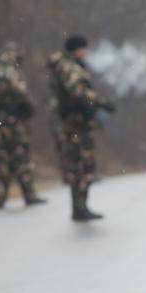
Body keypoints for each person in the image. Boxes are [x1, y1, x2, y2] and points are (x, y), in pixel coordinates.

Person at [47, 35, 115, 221]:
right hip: (76, 124)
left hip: (73, 122)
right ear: (77, 49)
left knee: (79, 166)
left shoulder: (65, 67)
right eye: (83, 48)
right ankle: (80, 209)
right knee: (82, 166)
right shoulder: (70, 68)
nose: (86, 52)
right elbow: (79, 94)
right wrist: (101, 103)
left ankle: (80, 207)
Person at [0, 41, 47, 208]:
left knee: (4, 156)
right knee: (22, 156)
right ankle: (29, 194)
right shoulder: (13, 73)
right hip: (17, 121)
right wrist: (30, 110)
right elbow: (23, 95)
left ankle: (0, 194)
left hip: (1, 121)